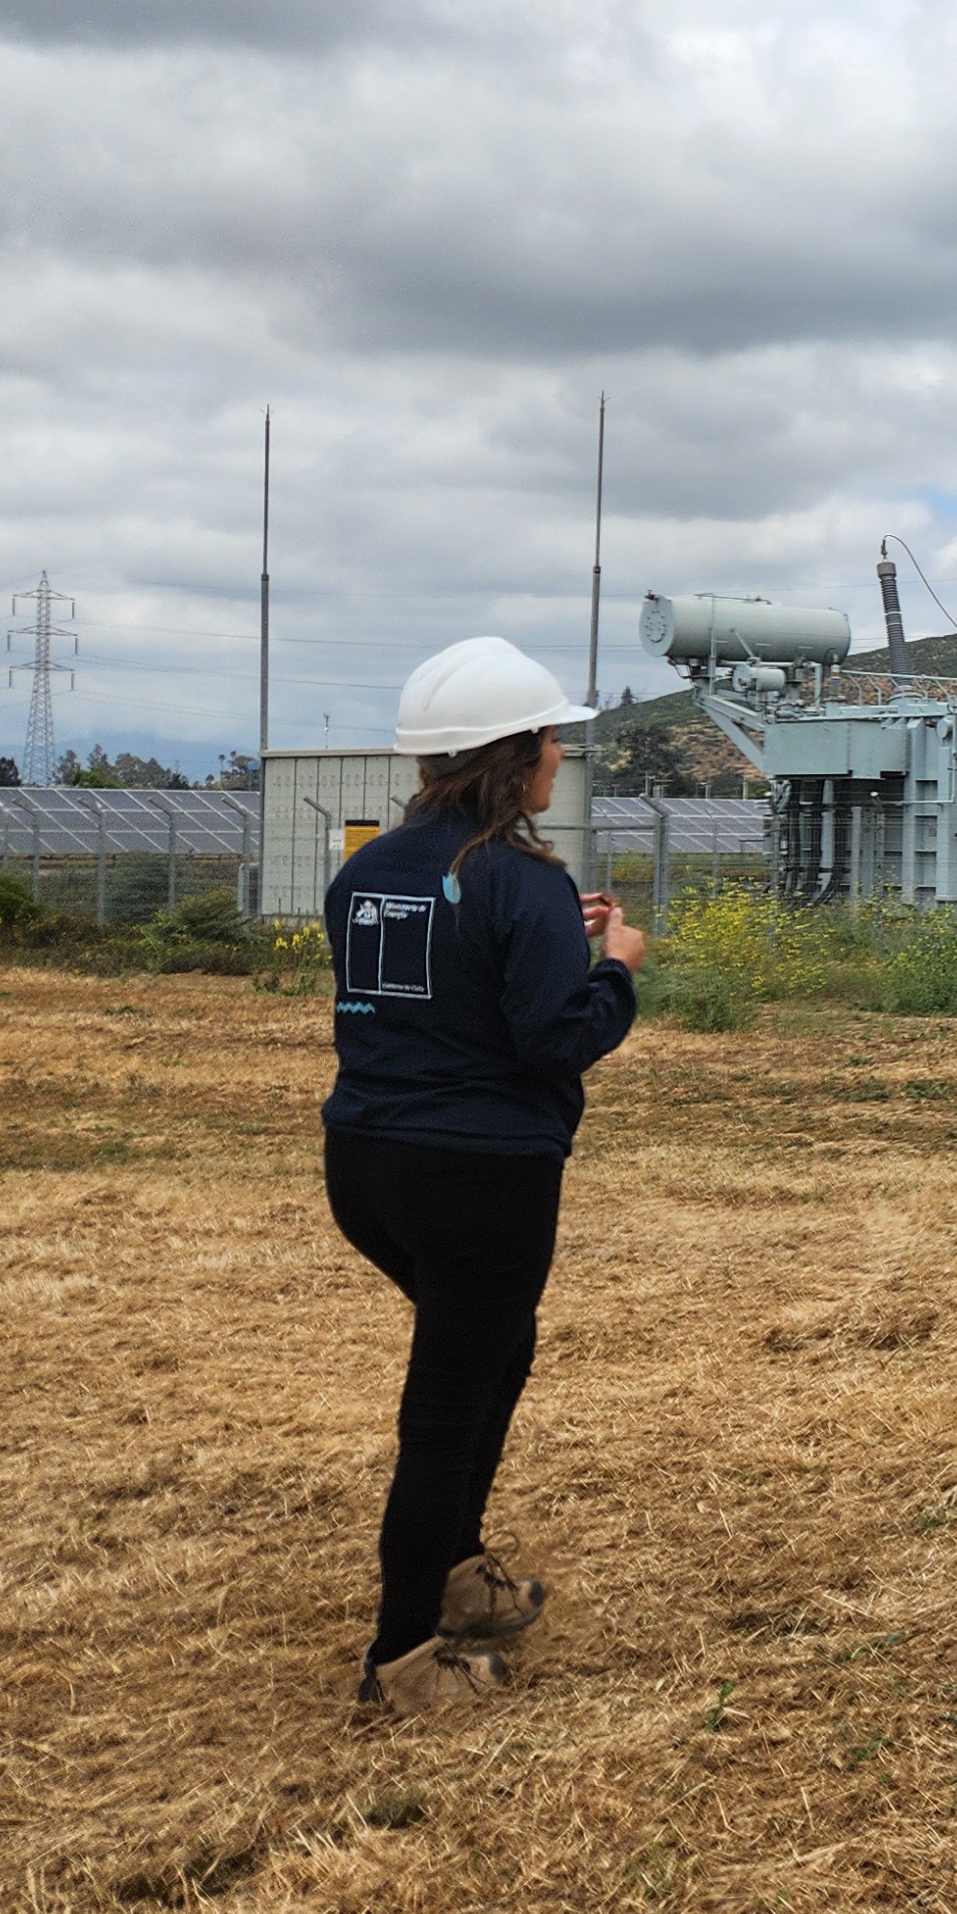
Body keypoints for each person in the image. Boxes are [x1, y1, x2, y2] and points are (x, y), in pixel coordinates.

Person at [320, 636, 645, 1720]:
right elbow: (555, 1038)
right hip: (481, 1177)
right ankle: (407, 1659)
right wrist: (614, 970)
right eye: (554, 736)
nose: (562, 752)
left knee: (495, 1352)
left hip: (367, 1163)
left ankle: (459, 1576)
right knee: (449, 1406)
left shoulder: (370, 870)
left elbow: (433, 992)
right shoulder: (515, 875)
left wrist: (557, 938)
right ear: (517, 758)